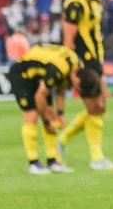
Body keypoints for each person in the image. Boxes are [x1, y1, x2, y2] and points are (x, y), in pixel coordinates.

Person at [59, 0, 113, 170]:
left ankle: (63, 139)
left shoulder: (96, 0)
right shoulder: (75, 3)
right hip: (82, 63)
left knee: (101, 108)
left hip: (95, 60)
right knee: (95, 108)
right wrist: (72, 70)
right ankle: (96, 158)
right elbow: (68, 40)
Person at [8, 43, 99, 174]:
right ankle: (33, 163)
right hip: (22, 74)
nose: (73, 89)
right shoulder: (58, 69)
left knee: (52, 115)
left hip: (39, 76)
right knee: (32, 115)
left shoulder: (76, 65)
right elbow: (40, 96)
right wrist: (46, 123)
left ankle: (53, 161)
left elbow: (61, 88)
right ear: (77, 79)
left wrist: (60, 113)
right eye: (76, 87)